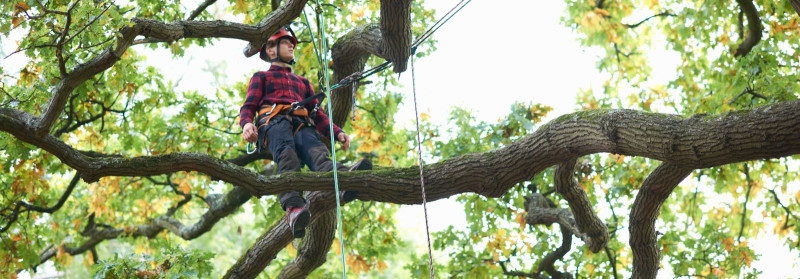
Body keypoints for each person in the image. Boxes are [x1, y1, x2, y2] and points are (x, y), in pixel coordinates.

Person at [240, 27, 368, 238]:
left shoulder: (303, 83)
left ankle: (343, 183)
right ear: (271, 50)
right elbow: (248, 106)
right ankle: (293, 208)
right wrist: (246, 124)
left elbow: (318, 115)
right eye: (286, 42)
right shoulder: (261, 77)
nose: (292, 45)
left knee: (318, 152)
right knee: (286, 154)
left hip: (302, 124)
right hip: (274, 123)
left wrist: (337, 133)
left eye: (292, 43)